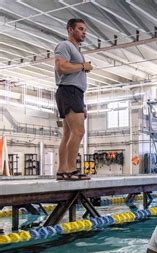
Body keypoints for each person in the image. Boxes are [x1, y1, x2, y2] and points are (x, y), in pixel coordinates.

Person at [54, 18, 93, 180]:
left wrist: (82, 103)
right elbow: (61, 67)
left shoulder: (76, 50)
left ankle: (62, 170)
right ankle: (70, 170)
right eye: (80, 29)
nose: (84, 32)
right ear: (70, 29)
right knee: (79, 131)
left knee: (68, 133)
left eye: (84, 30)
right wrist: (83, 66)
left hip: (74, 93)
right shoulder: (65, 46)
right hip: (69, 91)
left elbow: (76, 79)